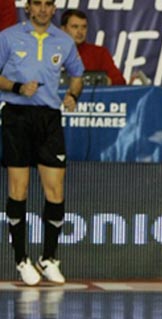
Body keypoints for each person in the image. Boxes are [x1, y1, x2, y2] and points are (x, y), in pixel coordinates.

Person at [0, 0, 84, 285]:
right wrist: (17, 87)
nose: (43, 9)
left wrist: (72, 95)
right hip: (17, 115)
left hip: (49, 119)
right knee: (18, 189)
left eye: (49, 4)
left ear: (54, 9)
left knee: (56, 191)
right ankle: (21, 259)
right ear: (28, 8)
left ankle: (48, 258)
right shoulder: (8, 37)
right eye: (37, 3)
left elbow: (77, 75)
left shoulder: (64, 41)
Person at [60, 9, 126, 85]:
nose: (80, 32)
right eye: (75, 27)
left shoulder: (99, 53)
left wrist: (103, 81)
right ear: (63, 29)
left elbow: (120, 81)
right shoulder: (51, 52)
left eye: (84, 27)